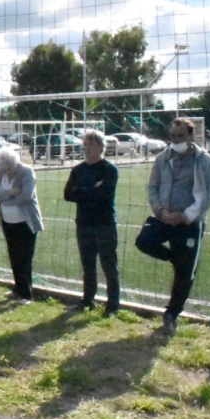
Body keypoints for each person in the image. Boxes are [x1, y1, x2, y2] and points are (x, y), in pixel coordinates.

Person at [135, 118, 210, 335]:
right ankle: (174, 257)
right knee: (144, 241)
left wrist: (185, 216)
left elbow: (208, 196)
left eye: (181, 136)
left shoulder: (204, 161)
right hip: (164, 218)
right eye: (173, 136)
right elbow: (153, 186)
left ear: (191, 135)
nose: (177, 140)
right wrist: (160, 211)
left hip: (189, 223)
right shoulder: (162, 158)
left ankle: (171, 314)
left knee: (185, 273)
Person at [62, 130, 120, 315]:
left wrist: (82, 191)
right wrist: (90, 190)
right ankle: (87, 300)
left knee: (108, 265)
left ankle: (112, 305)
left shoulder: (109, 170)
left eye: (92, 144)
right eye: (85, 143)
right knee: (88, 265)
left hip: (104, 224)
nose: (87, 147)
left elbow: (104, 194)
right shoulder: (77, 169)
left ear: (101, 147)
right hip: (84, 224)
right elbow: (67, 195)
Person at [0, 146, 44, 303]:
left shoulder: (27, 172)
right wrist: (10, 193)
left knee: (25, 257)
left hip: (26, 222)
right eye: (2, 169)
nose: (5, 172)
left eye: (8, 168)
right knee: (13, 255)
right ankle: (18, 288)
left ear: (13, 164)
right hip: (7, 221)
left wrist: (5, 200)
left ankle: (27, 293)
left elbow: (27, 195)